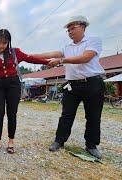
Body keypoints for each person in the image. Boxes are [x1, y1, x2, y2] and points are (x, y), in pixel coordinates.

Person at [32, 16, 105, 159]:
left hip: (92, 83)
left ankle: (91, 145)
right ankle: (59, 141)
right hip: (72, 85)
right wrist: (30, 56)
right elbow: (51, 54)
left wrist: (61, 60)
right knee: (66, 114)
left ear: (83, 27)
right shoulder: (67, 47)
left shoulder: (93, 41)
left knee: (93, 116)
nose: (70, 32)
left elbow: (85, 58)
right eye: (68, 30)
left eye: (73, 28)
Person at [0, 29, 50, 154]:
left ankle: (11, 141)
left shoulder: (15, 52)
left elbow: (31, 59)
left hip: (13, 84)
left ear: (8, 42)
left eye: (4, 42)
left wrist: (47, 62)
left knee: (12, 113)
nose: (1, 45)